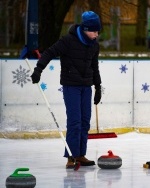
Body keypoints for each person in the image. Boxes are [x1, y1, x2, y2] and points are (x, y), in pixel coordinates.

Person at [30, 11, 102, 168]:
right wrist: (38, 70)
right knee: (75, 121)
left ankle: (80, 154)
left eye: (98, 32)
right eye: (94, 31)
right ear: (85, 29)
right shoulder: (68, 41)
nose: (96, 35)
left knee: (85, 122)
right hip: (71, 87)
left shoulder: (94, 45)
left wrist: (98, 87)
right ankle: (71, 156)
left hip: (86, 87)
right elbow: (49, 52)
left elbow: (94, 67)